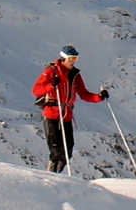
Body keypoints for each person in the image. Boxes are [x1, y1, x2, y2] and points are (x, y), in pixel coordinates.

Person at [31, 45, 108, 174]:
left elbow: (84, 94)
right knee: (55, 151)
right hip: (51, 114)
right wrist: (51, 85)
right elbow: (36, 90)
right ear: (64, 58)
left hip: (66, 116)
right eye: (71, 58)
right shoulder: (51, 71)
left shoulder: (75, 75)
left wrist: (99, 97)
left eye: (75, 58)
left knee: (67, 152)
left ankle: (56, 175)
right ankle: (51, 174)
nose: (73, 61)